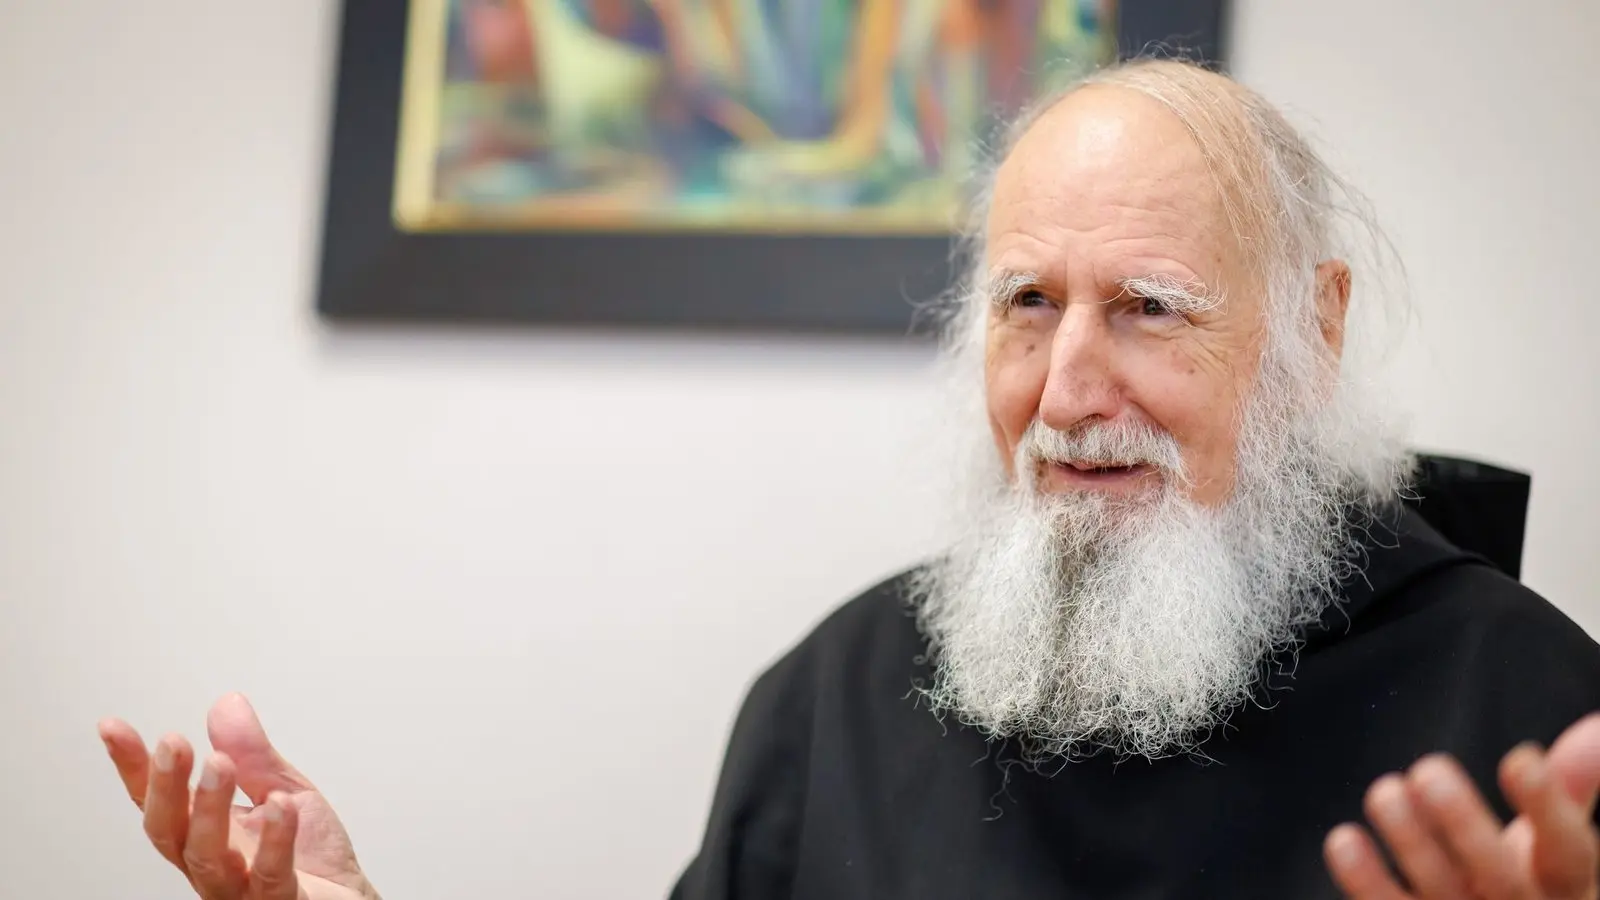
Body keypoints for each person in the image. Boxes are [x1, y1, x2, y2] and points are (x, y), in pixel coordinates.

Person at [98, 57, 1600, 899]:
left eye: (1150, 308)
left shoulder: (1531, 711)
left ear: (1311, 334)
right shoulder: (835, 694)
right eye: (1028, 304)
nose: (1068, 389)